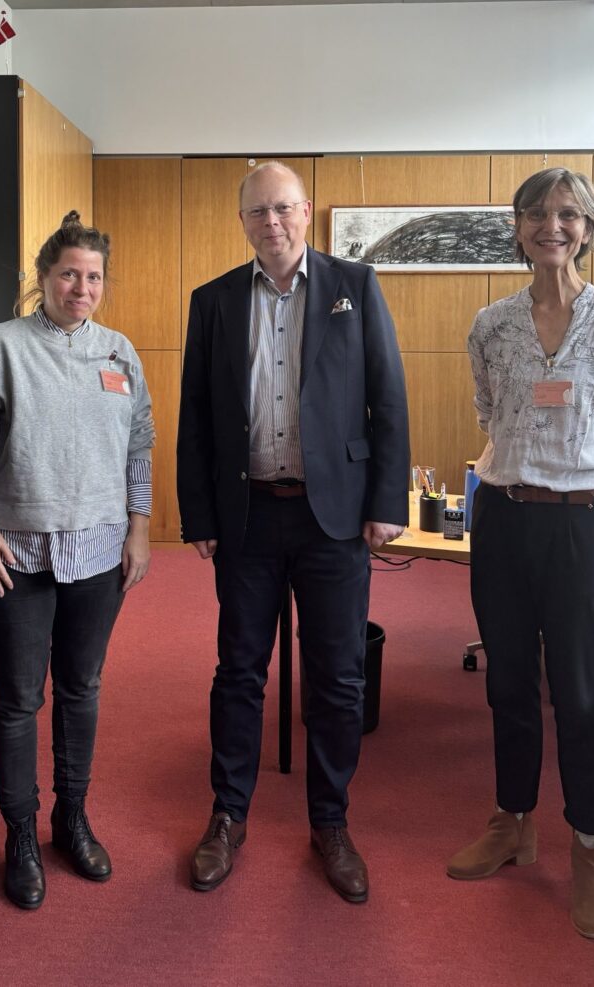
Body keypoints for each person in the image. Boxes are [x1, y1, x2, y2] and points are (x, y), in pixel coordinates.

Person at [177, 162, 410, 903]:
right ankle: (227, 816)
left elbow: (388, 399)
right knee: (239, 670)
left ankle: (331, 823)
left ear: (305, 212)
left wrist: (387, 500)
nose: (271, 222)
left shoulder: (354, 286)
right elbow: (196, 418)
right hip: (247, 513)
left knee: (338, 679)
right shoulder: (212, 300)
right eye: (257, 212)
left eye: (283, 208)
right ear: (242, 219)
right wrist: (200, 514)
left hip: (331, 517)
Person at [447, 167, 594, 940]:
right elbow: (487, 411)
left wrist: (582, 490)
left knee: (580, 692)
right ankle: (514, 820)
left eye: (567, 214)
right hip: (502, 516)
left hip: (584, 525)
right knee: (507, 681)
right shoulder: (490, 324)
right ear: (518, 227)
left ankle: (588, 842)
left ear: (588, 228)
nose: (550, 226)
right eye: (536, 213)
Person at [0, 211, 155, 911]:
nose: (82, 287)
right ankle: (19, 834)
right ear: (43, 278)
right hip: (12, 552)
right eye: (70, 274)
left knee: (82, 686)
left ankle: (70, 818)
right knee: (18, 696)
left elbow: (140, 445)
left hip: (100, 551)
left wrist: (139, 529)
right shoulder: (0, 347)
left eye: (94, 277)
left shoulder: (120, 353)